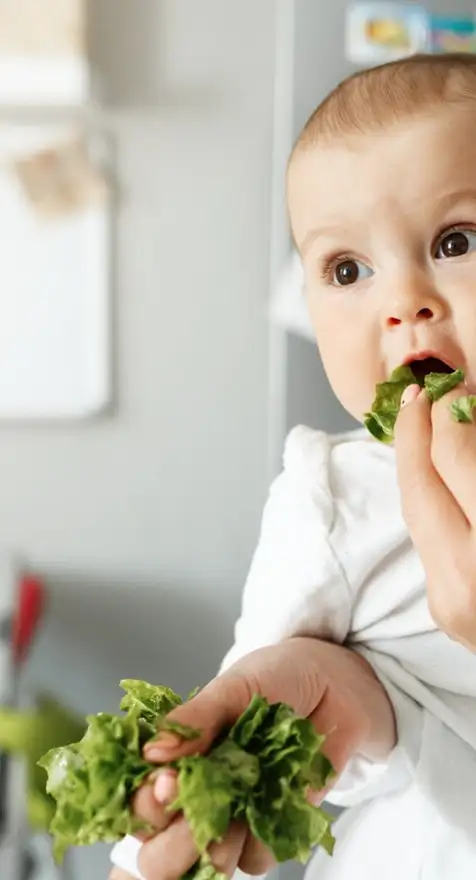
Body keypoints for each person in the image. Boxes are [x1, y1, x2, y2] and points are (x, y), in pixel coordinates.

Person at [110, 53, 476, 880]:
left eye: (456, 241)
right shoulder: (333, 495)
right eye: (348, 270)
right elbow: (251, 701)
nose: (405, 301)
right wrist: (153, 848)